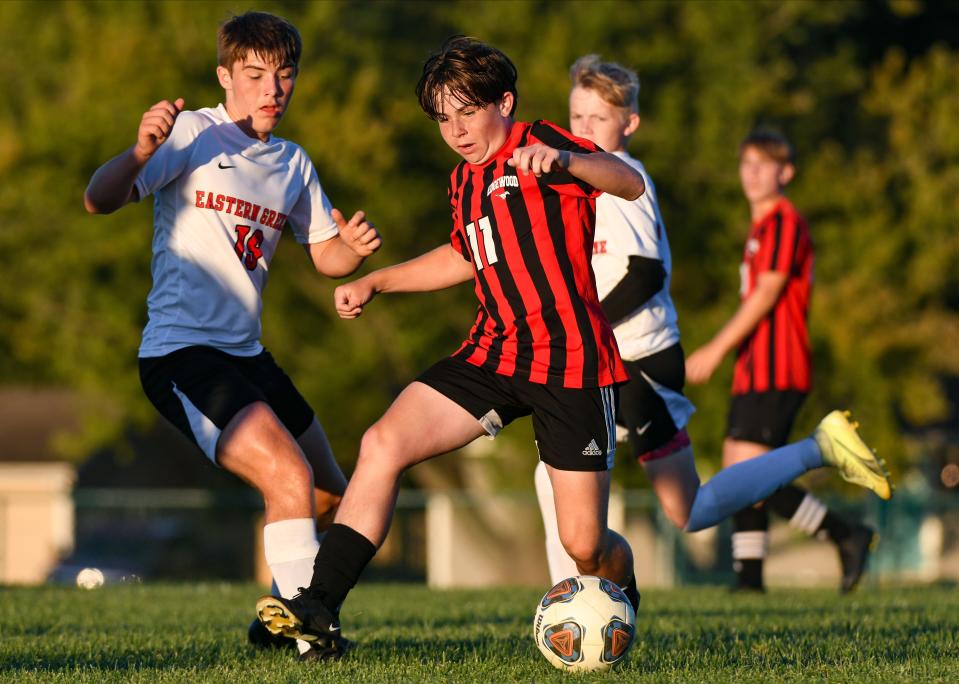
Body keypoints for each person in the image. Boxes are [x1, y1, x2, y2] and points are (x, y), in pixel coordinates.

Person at [254, 38, 891, 662]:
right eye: (443, 118)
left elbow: (629, 183)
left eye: (467, 112)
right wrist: (377, 279)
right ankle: (318, 608)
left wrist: (567, 163)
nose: (455, 130)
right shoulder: (463, 181)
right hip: (494, 351)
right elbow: (466, 254)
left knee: (585, 545)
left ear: (504, 101)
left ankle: (622, 591)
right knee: (382, 443)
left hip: (572, 365)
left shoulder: (548, 143)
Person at [83, 11, 381, 655]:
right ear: (225, 77)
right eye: (255, 75)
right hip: (180, 354)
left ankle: (278, 617)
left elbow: (324, 253)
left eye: (284, 75)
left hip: (246, 356)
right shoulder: (192, 133)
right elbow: (98, 199)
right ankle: (314, 640)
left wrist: (352, 253)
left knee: (332, 491)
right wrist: (138, 152)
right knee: (288, 475)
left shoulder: (292, 162)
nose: (272, 89)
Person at [534, 59, 891, 592]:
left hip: (631, 358)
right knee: (690, 508)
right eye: (575, 116)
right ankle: (821, 448)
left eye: (597, 118)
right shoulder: (588, 177)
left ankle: (572, 600)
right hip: (630, 355)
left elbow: (645, 274)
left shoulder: (619, 177)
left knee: (552, 472)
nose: (583, 129)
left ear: (629, 122)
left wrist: (583, 327)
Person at [686, 130, 878, 593]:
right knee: (741, 474)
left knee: (750, 472)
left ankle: (843, 533)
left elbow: (767, 295)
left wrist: (715, 347)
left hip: (779, 366)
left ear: (785, 172)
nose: (751, 173)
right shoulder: (759, 229)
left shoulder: (784, 223)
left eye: (763, 164)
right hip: (754, 368)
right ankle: (749, 577)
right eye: (745, 163)